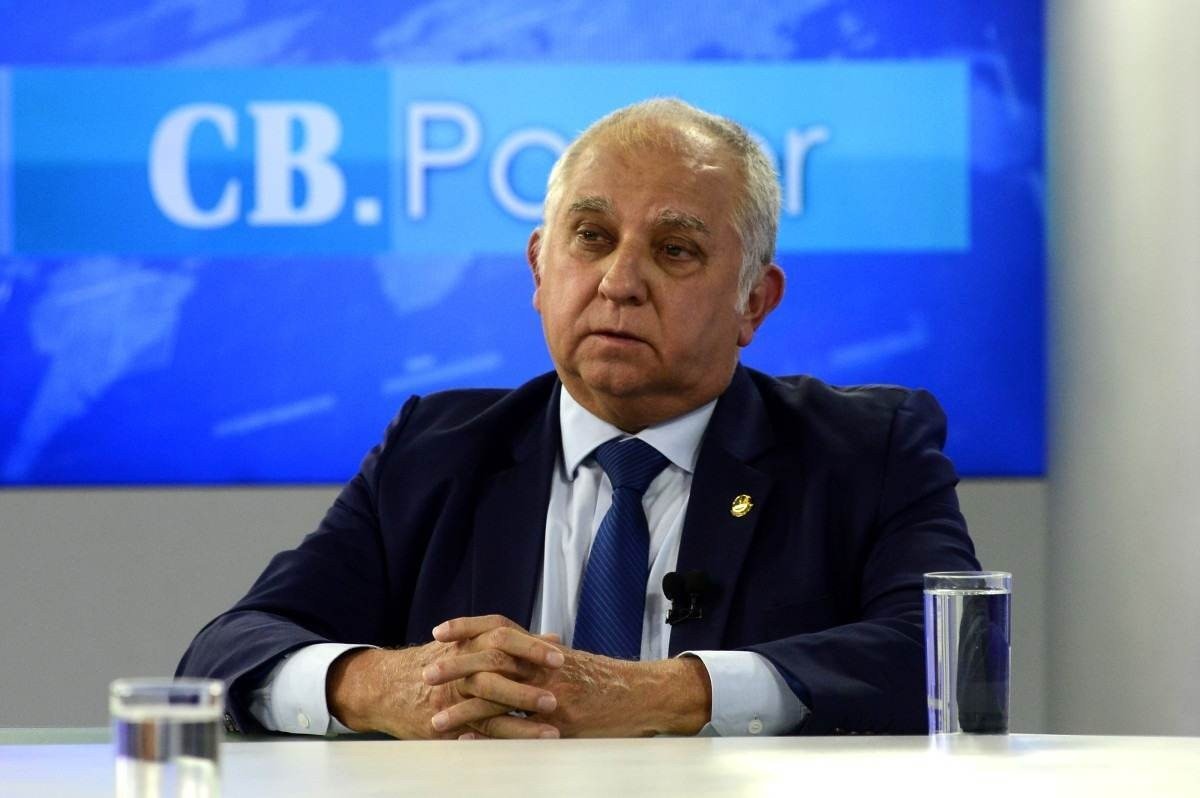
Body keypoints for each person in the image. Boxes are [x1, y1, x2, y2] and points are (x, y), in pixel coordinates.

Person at [177, 98, 979, 739]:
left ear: (754, 303)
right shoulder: (436, 450)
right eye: (591, 238)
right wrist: (377, 685)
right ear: (539, 267)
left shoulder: (867, 450)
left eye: (674, 250)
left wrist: (668, 693)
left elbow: (949, 656)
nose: (618, 282)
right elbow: (227, 651)